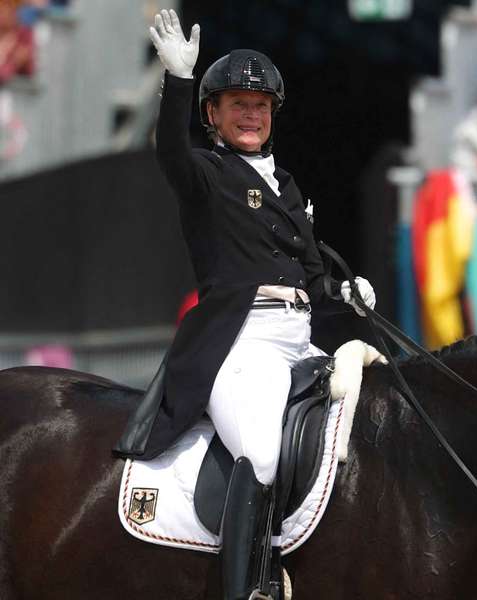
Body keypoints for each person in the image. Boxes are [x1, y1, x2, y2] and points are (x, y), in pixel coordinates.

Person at [114, 10, 376, 600]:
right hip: (242, 342)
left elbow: (310, 277)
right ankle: (246, 589)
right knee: (258, 454)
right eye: (237, 104)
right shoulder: (206, 172)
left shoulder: (287, 185)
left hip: (300, 339)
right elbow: (170, 155)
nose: (251, 114)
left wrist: (345, 292)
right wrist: (178, 82)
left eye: (260, 105)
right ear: (213, 114)